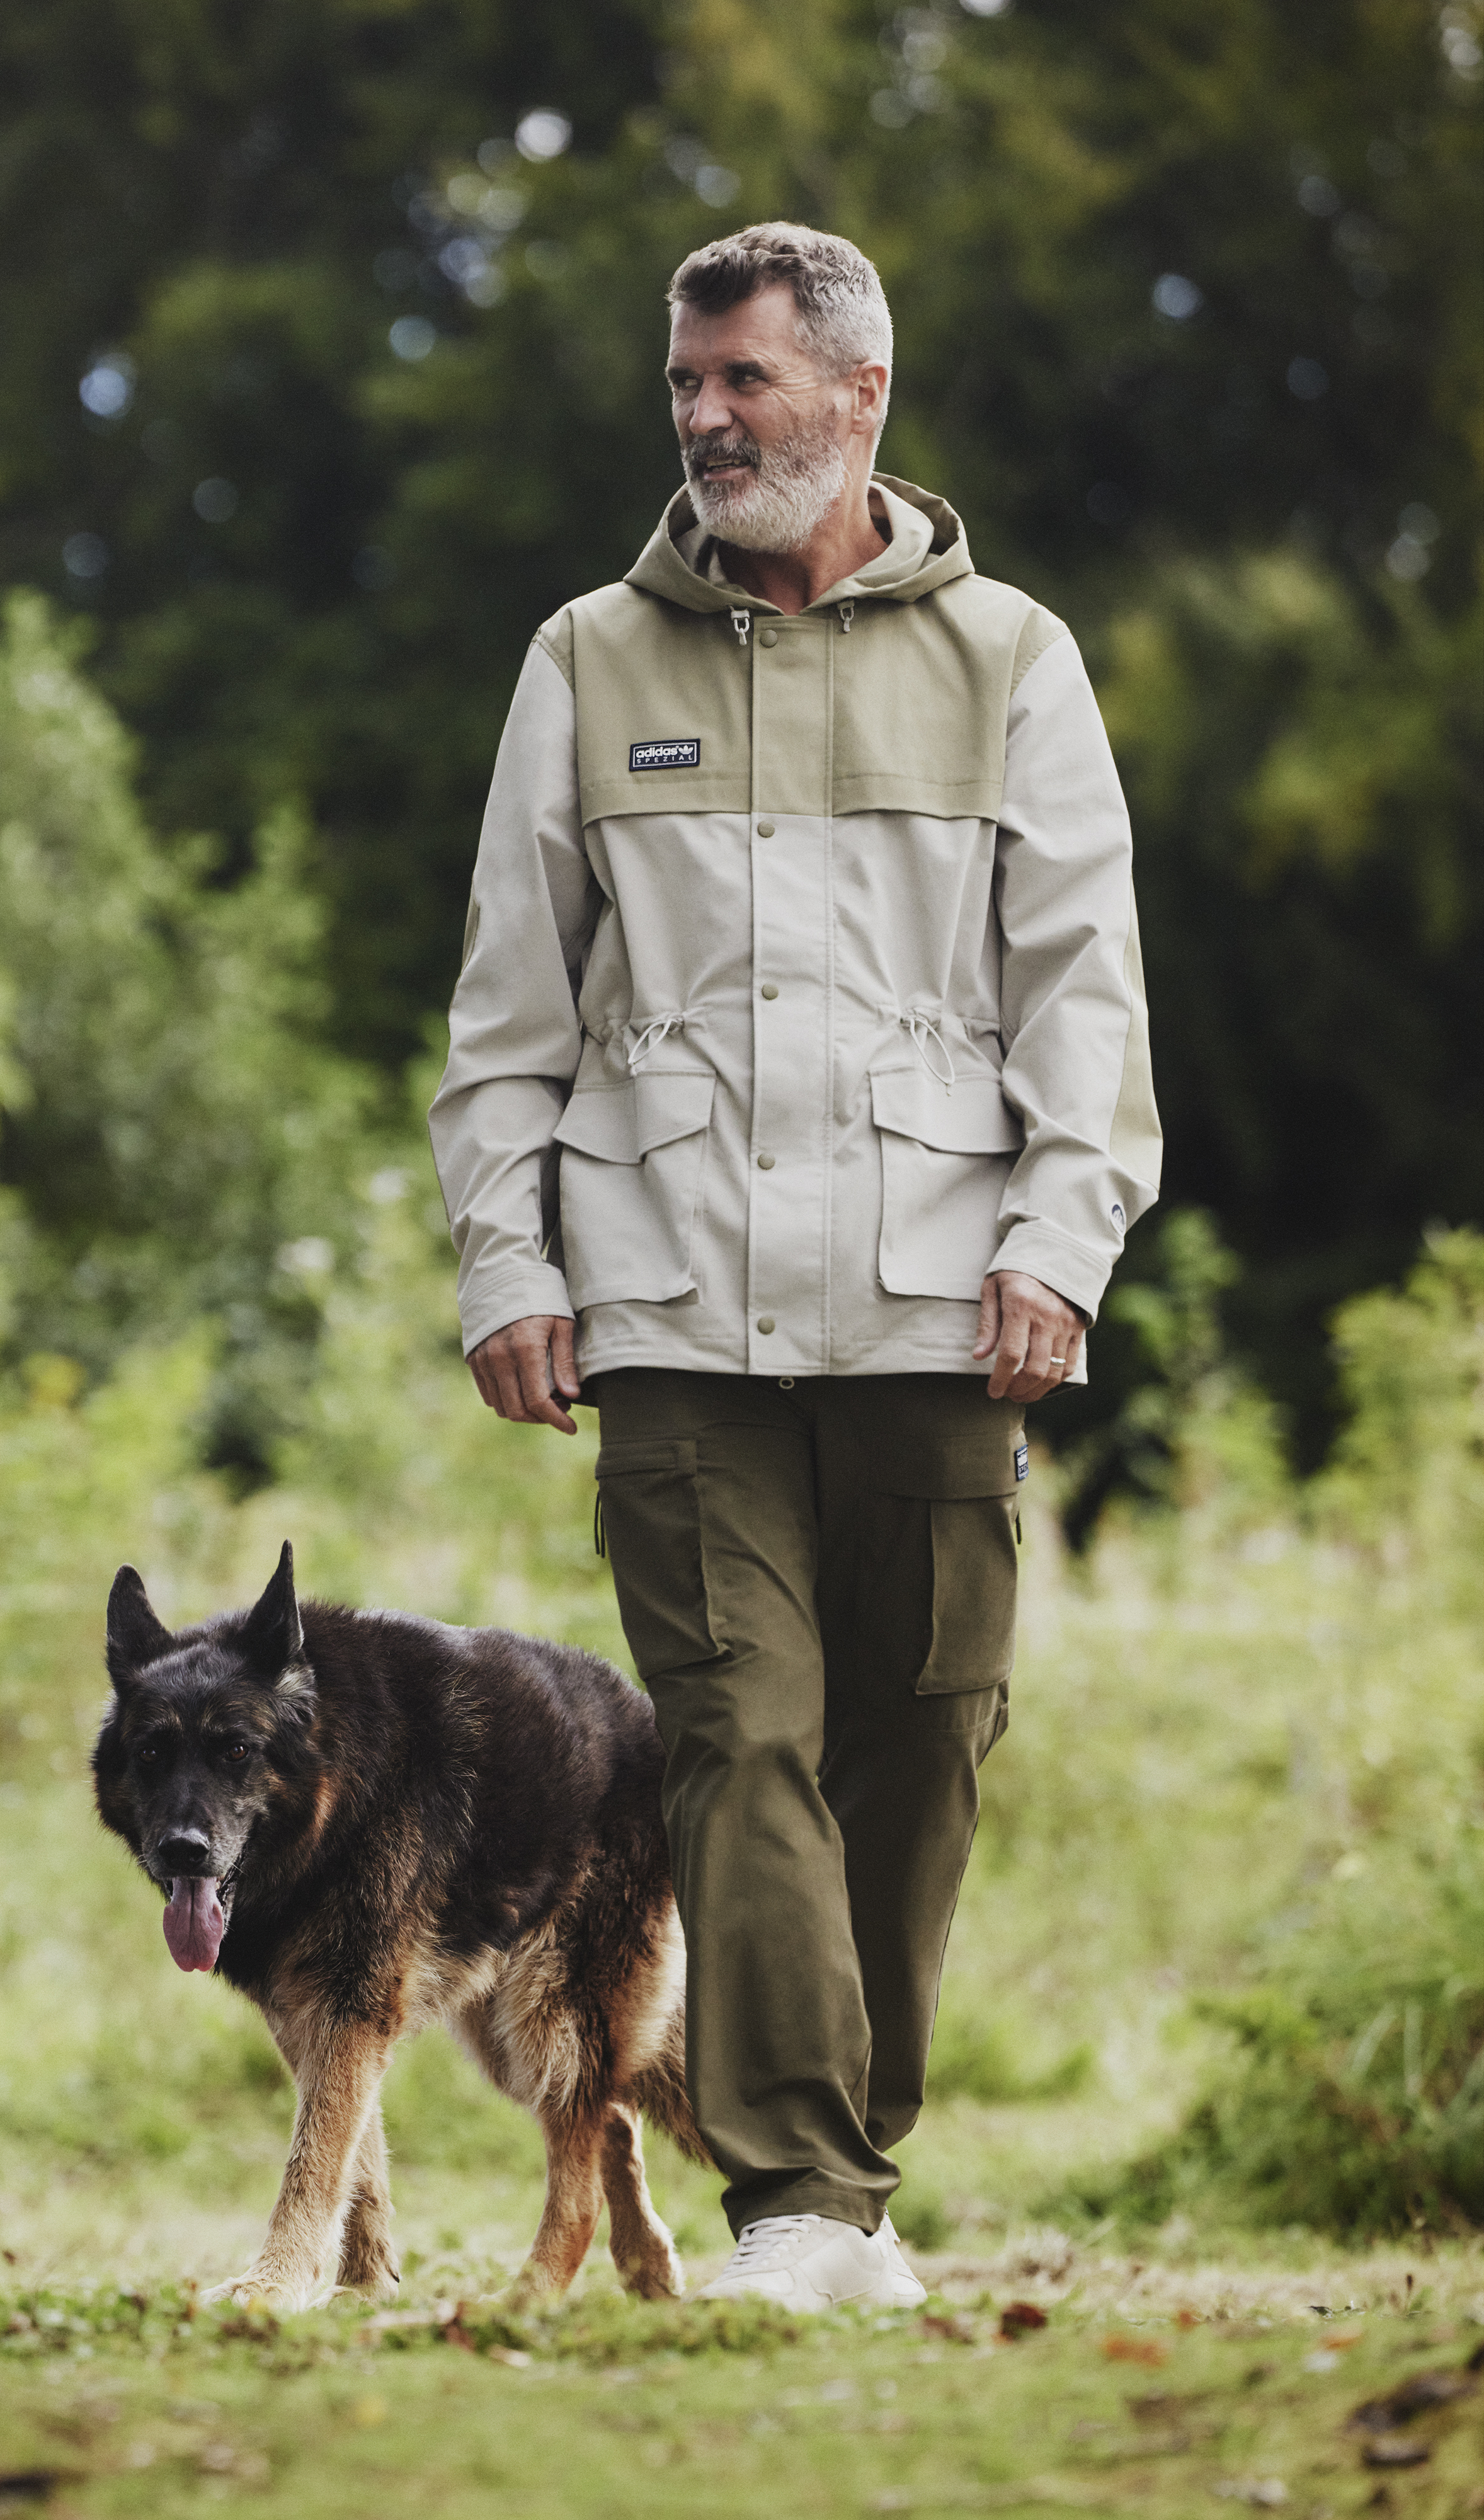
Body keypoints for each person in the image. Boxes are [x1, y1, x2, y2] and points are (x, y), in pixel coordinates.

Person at [428, 222, 1160, 2311]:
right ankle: (797, 2213)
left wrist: (1059, 1242)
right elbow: (507, 1016)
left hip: (946, 1303)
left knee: (919, 1746)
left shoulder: (1013, 657)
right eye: (686, 383)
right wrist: (509, 1261)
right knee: (733, 1733)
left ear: (861, 398)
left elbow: (1085, 999)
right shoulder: (587, 659)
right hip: (671, 1307)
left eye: (745, 380)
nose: (705, 418)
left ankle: (860, 2165)